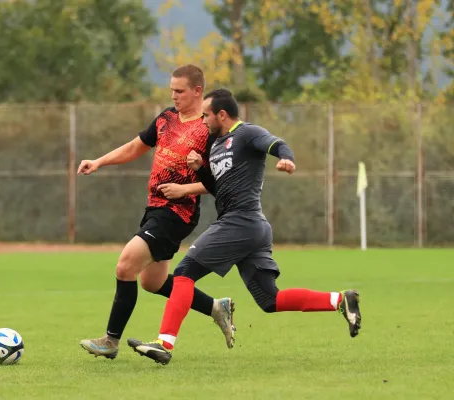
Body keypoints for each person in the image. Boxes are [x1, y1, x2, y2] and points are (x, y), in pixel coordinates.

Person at [127, 89, 362, 365]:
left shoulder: (247, 133)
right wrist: (201, 168)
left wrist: (287, 159)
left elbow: (277, 144)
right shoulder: (216, 144)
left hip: (240, 221)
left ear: (222, 115)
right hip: (251, 227)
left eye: (206, 115)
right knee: (269, 300)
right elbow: (217, 187)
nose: (202, 121)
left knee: (183, 272)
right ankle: (340, 300)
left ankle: (164, 343)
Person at [77, 66, 236, 360]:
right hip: (155, 208)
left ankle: (110, 342)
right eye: (172, 90)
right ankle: (216, 307)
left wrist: (190, 181)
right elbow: (137, 147)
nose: (173, 95)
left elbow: (220, 182)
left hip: (178, 212)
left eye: (180, 91)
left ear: (198, 92)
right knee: (153, 283)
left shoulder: (208, 129)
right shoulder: (166, 118)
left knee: (125, 265)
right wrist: (99, 161)